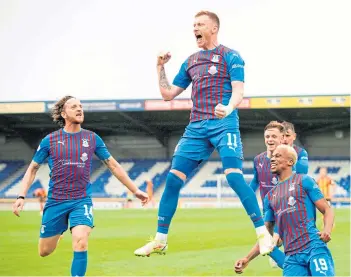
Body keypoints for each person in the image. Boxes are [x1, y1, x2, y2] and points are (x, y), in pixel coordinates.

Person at [134, 10, 273, 257]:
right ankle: (160, 240)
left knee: (233, 176)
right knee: (173, 180)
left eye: (200, 24)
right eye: (194, 25)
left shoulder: (231, 56)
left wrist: (228, 107)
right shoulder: (191, 61)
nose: (195, 28)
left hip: (224, 123)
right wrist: (159, 67)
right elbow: (167, 94)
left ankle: (263, 234)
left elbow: (239, 91)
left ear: (213, 28)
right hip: (196, 128)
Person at [12, 96, 149, 277]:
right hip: (56, 202)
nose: (79, 109)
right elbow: (32, 169)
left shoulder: (92, 138)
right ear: (63, 113)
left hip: (81, 201)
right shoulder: (50, 141)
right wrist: (21, 196)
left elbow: (113, 165)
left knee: (80, 241)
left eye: (81, 106)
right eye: (74, 106)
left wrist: (135, 190)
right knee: (44, 251)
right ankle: (59, 231)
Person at [234, 145, 335, 276]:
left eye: (278, 156)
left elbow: (327, 209)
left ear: (290, 162)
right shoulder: (269, 197)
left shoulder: (304, 180)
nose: (272, 159)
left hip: (313, 247)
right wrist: (247, 258)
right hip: (292, 258)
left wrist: (326, 230)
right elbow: (266, 235)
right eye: (272, 156)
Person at [249, 121, 286, 268]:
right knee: (268, 242)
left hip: (286, 208)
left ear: (282, 138)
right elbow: (255, 181)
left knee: (273, 242)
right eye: (267, 136)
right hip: (268, 210)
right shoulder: (258, 160)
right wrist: (246, 195)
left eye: (274, 136)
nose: (270, 139)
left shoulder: (287, 160)